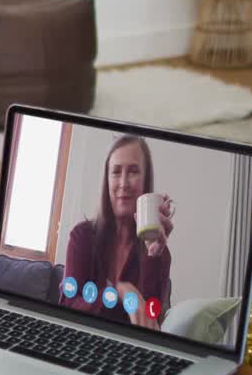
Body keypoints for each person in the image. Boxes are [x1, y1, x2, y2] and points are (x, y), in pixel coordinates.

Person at [59, 134, 174, 329]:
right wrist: (119, 292)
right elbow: (68, 303)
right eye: (116, 172)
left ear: (146, 182)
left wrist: (152, 256)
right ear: (107, 181)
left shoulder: (159, 255)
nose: (123, 183)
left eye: (133, 171)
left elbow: (151, 318)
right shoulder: (82, 237)